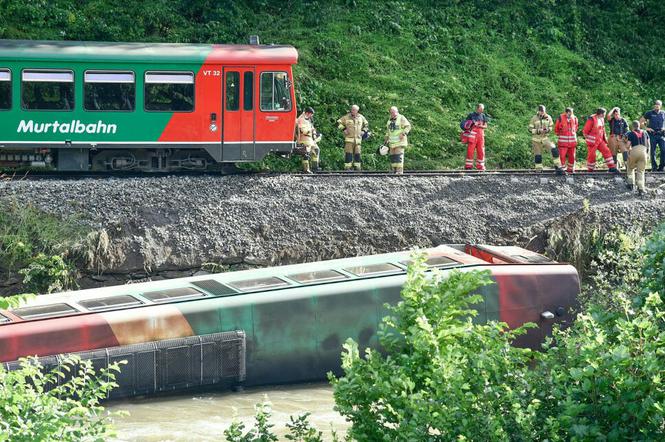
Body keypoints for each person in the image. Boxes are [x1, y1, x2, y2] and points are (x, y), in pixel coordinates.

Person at [528, 105, 565, 174]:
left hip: (545, 138)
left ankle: (558, 167)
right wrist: (538, 131)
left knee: (554, 150)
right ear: (538, 111)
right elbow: (530, 129)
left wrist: (547, 130)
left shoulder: (548, 117)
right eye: (541, 112)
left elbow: (551, 126)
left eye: (544, 112)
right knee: (538, 155)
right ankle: (539, 170)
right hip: (536, 140)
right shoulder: (534, 118)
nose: (543, 113)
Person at [582, 108, 618, 172]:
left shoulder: (602, 119)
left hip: (600, 140)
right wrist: (589, 140)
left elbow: (603, 130)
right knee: (592, 155)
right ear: (601, 114)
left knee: (607, 151)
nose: (605, 115)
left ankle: (612, 167)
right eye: (604, 114)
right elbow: (585, 131)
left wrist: (605, 139)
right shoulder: (591, 119)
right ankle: (590, 169)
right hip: (593, 141)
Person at [337, 104, 369, 171]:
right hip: (349, 140)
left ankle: (357, 168)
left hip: (358, 140)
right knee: (348, 154)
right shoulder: (346, 117)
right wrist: (343, 129)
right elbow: (338, 123)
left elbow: (366, 125)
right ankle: (347, 168)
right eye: (352, 109)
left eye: (354, 110)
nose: (353, 111)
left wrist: (363, 131)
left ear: (357, 111)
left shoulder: (361, 117)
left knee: (357, 154)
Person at [624, 120, 650, 196]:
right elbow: (648, 144)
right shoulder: (645, 132)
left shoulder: (631, 134)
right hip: (644, 151)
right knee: (641, 171)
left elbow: (628, 146)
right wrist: (647, 154)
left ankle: (631, 184)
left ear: (633, 126)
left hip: (635, 150)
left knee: (630, 167)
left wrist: (628, 150)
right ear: (639, 125)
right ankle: (641, 189)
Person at [639, 99, 665, 171]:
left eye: (658, 105)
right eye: (656, 104)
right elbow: (640, 122)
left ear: (661, 106)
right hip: (652, 134)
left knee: (663, 150)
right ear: (654, 105)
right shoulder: (649, 113)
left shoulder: (663, 113)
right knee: (652, 151)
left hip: (661, 135)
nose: (657, 106)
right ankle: (654, 167)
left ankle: (661, 167)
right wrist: (647, 128)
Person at [384, 106, 411, 174]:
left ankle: (399, 171)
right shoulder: (389, 121)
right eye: (392, 112)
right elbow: (388, 131)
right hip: (392, 143)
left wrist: (404, 133)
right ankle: (394, 170)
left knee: (398, 156)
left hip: (400, 142)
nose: (393, 114)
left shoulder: (401, 118)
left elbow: (408, 126)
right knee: (393, 157)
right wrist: (386, 138)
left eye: (394, 112)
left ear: (397, 112)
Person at [463, 103, 489, 171]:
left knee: (481, 151)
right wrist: (473, 124)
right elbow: (466, 125)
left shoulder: (483, 116)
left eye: (482, 110)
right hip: (472, 136)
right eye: (480, 109)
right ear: (477, 108)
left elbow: (486, 126)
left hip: (481, 136)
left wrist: (480, 126)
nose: (481, 111)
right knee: (470, 150)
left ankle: (480, 167)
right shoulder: (471, 115)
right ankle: (468, 166)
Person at [295, 107, 320, 173]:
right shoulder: (301, 119)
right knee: (306, 154)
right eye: (310, 114)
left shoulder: (308, 119)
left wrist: (315, 134)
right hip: (304, 139)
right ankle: (306, 169)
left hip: (310, 140)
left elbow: (312, 128)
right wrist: (310, 131)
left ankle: (315, 167)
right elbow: (303, 130)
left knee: (316, 150)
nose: (311, 116)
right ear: (307, 113)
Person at [554, 107, 579, 174]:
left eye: (572, 113)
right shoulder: (560, 117)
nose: (571, 114)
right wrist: (560, 133)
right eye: (570, 113)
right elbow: (556, 128)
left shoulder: (575, 118)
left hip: (572, 142)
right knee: (562, 156)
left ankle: (571, 169)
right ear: (566, 112)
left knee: (572, 156)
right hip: (563, 142)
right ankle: (561, 170)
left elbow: (576, 127)